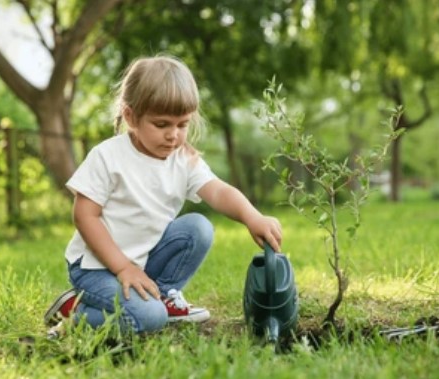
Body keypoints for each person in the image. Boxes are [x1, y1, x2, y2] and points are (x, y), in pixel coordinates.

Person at [44, 55, 282, 335]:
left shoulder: (182, 158)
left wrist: (252, 216)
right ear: (131, 116)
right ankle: (75, 315)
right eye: (161, 124)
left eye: (182, 125)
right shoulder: (108, 157)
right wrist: (122, 268)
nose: (173, 135)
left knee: (198, 228)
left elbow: (218, 190)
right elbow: (84, 216)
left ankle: (164, 294)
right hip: (96, 267)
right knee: (149, 318)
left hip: (142, 261)